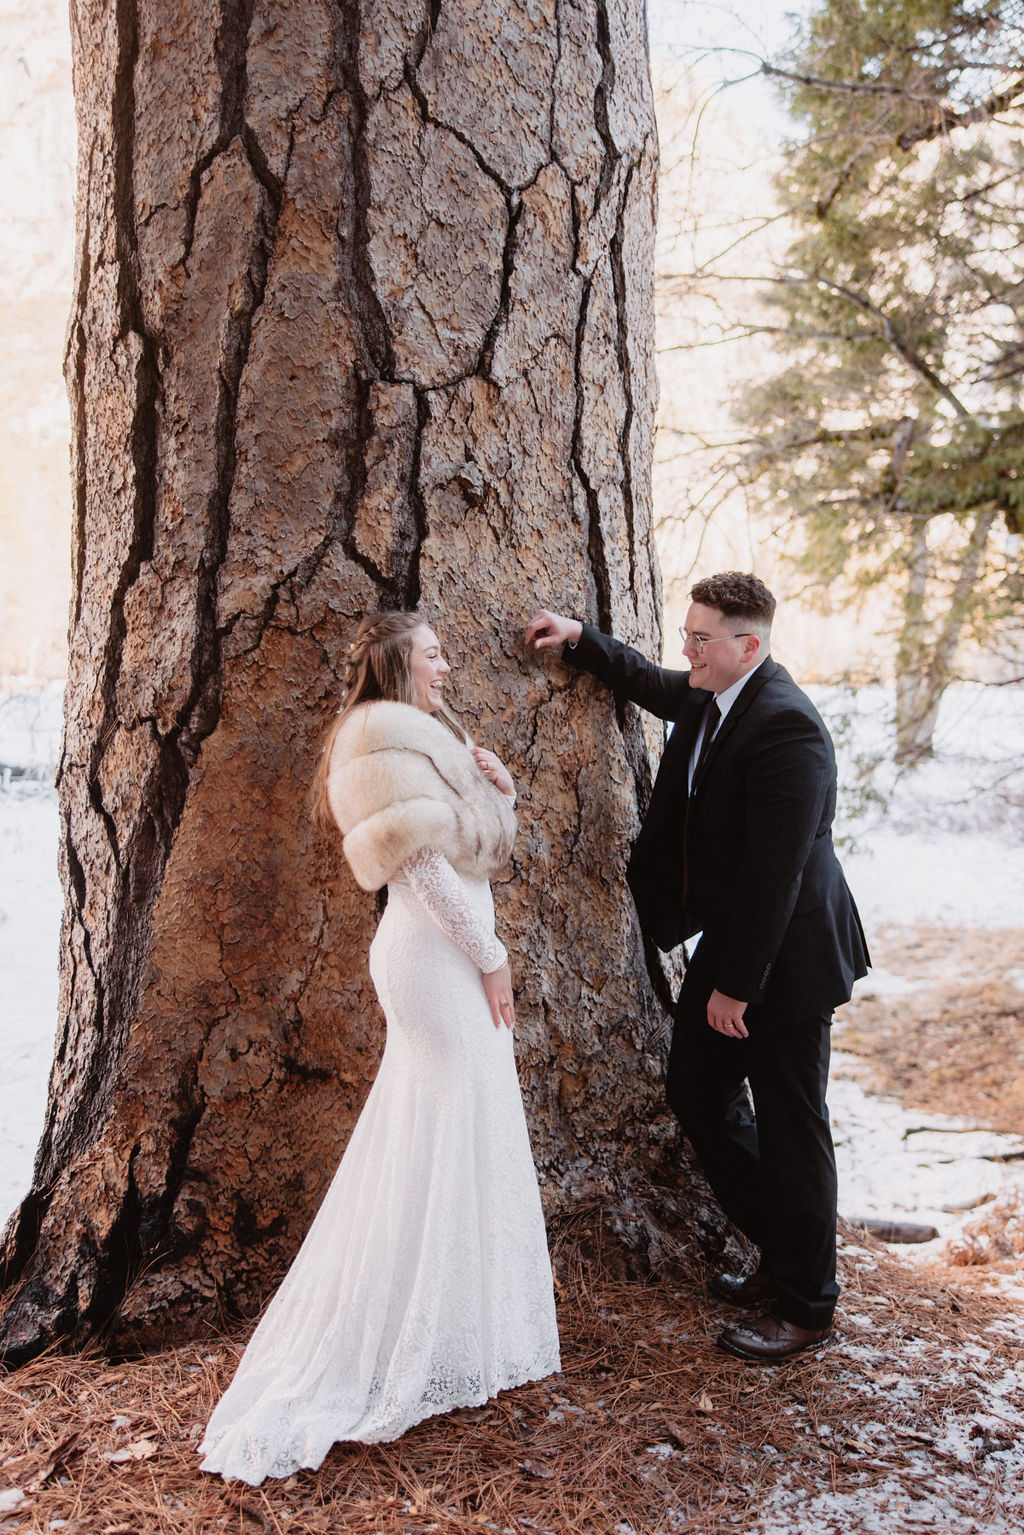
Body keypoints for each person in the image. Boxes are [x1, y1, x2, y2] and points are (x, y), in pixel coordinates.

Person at [200, 612, 560, 1483]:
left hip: (458, 946)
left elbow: (474, 853)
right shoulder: (374, 739)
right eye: (433, 651)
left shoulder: (434, 735)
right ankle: (393, 1331)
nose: (447, 663)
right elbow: (425, 870)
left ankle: (453, 1326)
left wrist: (502, 792)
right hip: (435, 958)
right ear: (399, 661)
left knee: (461, 1125)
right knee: (437, 1124)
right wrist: (494, 958)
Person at [525, 573, 869, 1362]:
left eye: (700, 639)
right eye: (686, 634)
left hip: (790, 953)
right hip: (745, 936)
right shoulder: (719, 693)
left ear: (749, 645)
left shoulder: (789, 731)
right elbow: (656, 684)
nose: (687, 651)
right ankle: (784, 1251)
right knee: (695, 1089)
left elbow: (776, 879)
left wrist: (734, 987)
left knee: (793, 1126)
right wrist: (582, 639)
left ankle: (810, 1305)